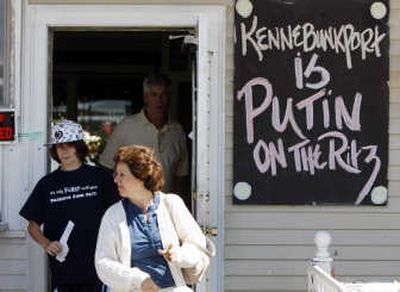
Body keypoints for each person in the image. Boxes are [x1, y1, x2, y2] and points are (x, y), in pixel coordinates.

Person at [19, 120, 119, 292]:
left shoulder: (100, 178)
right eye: (59, 147)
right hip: (64, 271)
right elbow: (32, 225)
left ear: (78, 147)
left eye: (69, 146)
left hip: (101, 267)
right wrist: (46, 243)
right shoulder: (47, 184)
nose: (64, 152)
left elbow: (119, 215)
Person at [95, 145, 206, 292]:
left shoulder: (171, 203)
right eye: (116, 174)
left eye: (122, 175)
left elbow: (197, 247)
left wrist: (179, 254)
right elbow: (103, 263)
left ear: (141, 176)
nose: (116, 180)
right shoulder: (113, 215)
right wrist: (138, 280)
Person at [98, 73, 189, 201]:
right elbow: (106, 169)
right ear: (146, 97)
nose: (160, 100)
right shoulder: (127, 126)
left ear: (169, 98)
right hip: (129, 209)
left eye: (164, 95)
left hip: (164, 210)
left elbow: (181, 177)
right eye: (154, 95)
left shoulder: (177, 131)